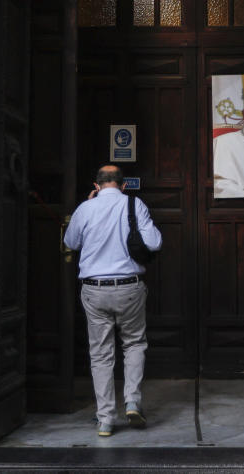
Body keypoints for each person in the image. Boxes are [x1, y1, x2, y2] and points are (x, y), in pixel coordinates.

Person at [63, 165, 162, 437]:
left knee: (101, 354)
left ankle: (106, 419)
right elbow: (154, 243)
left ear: (97, 185)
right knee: (134, 343)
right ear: (123, 185)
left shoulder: (86, 209)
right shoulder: (134, 204)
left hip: (94, 290)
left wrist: (88, 207)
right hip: (129, 287)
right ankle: (132, 401)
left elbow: (70, 241)